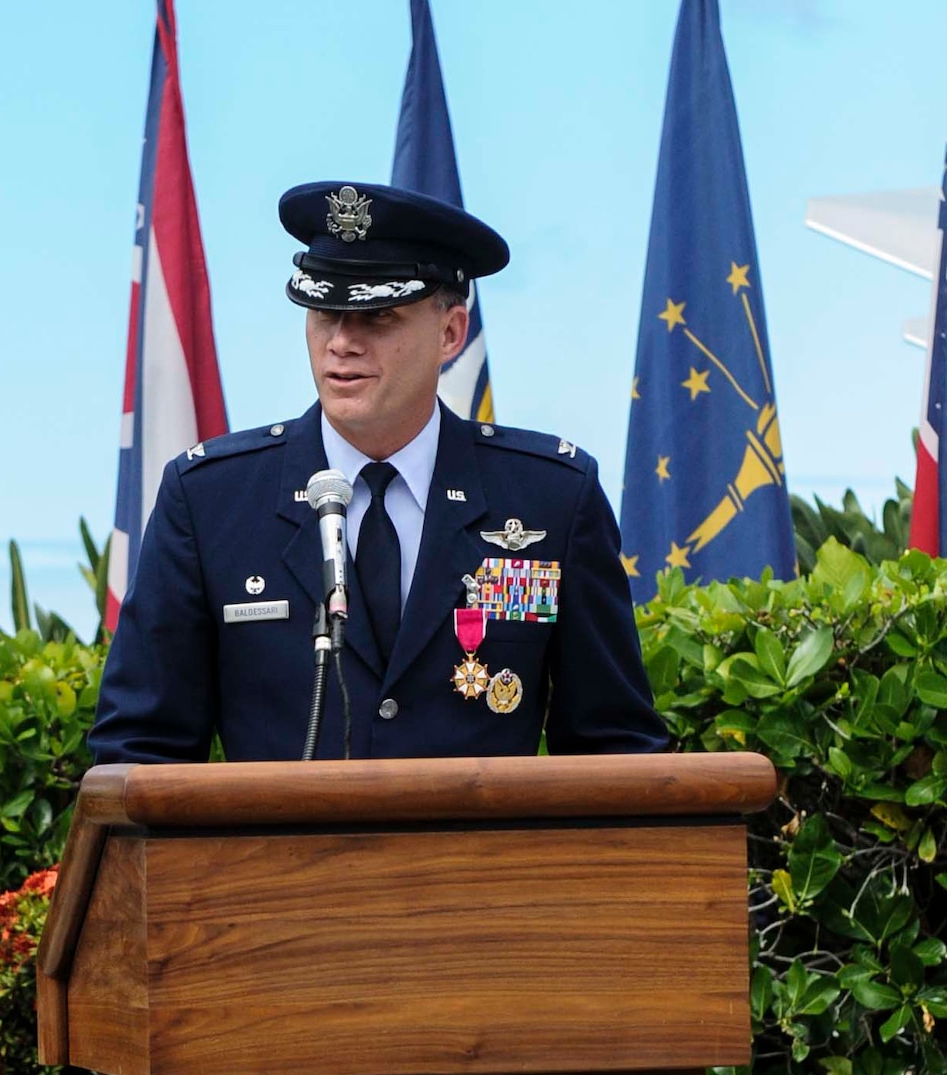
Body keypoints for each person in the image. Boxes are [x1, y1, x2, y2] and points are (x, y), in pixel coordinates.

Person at [89, 181, 667, 763]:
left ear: (450, 333)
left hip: (476, 857)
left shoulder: (551, 499)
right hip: (282, 857)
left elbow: (616, 749)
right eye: (323, 312)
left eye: (377, 316)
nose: (341, 342)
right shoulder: (211, 500)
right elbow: (138, 752)